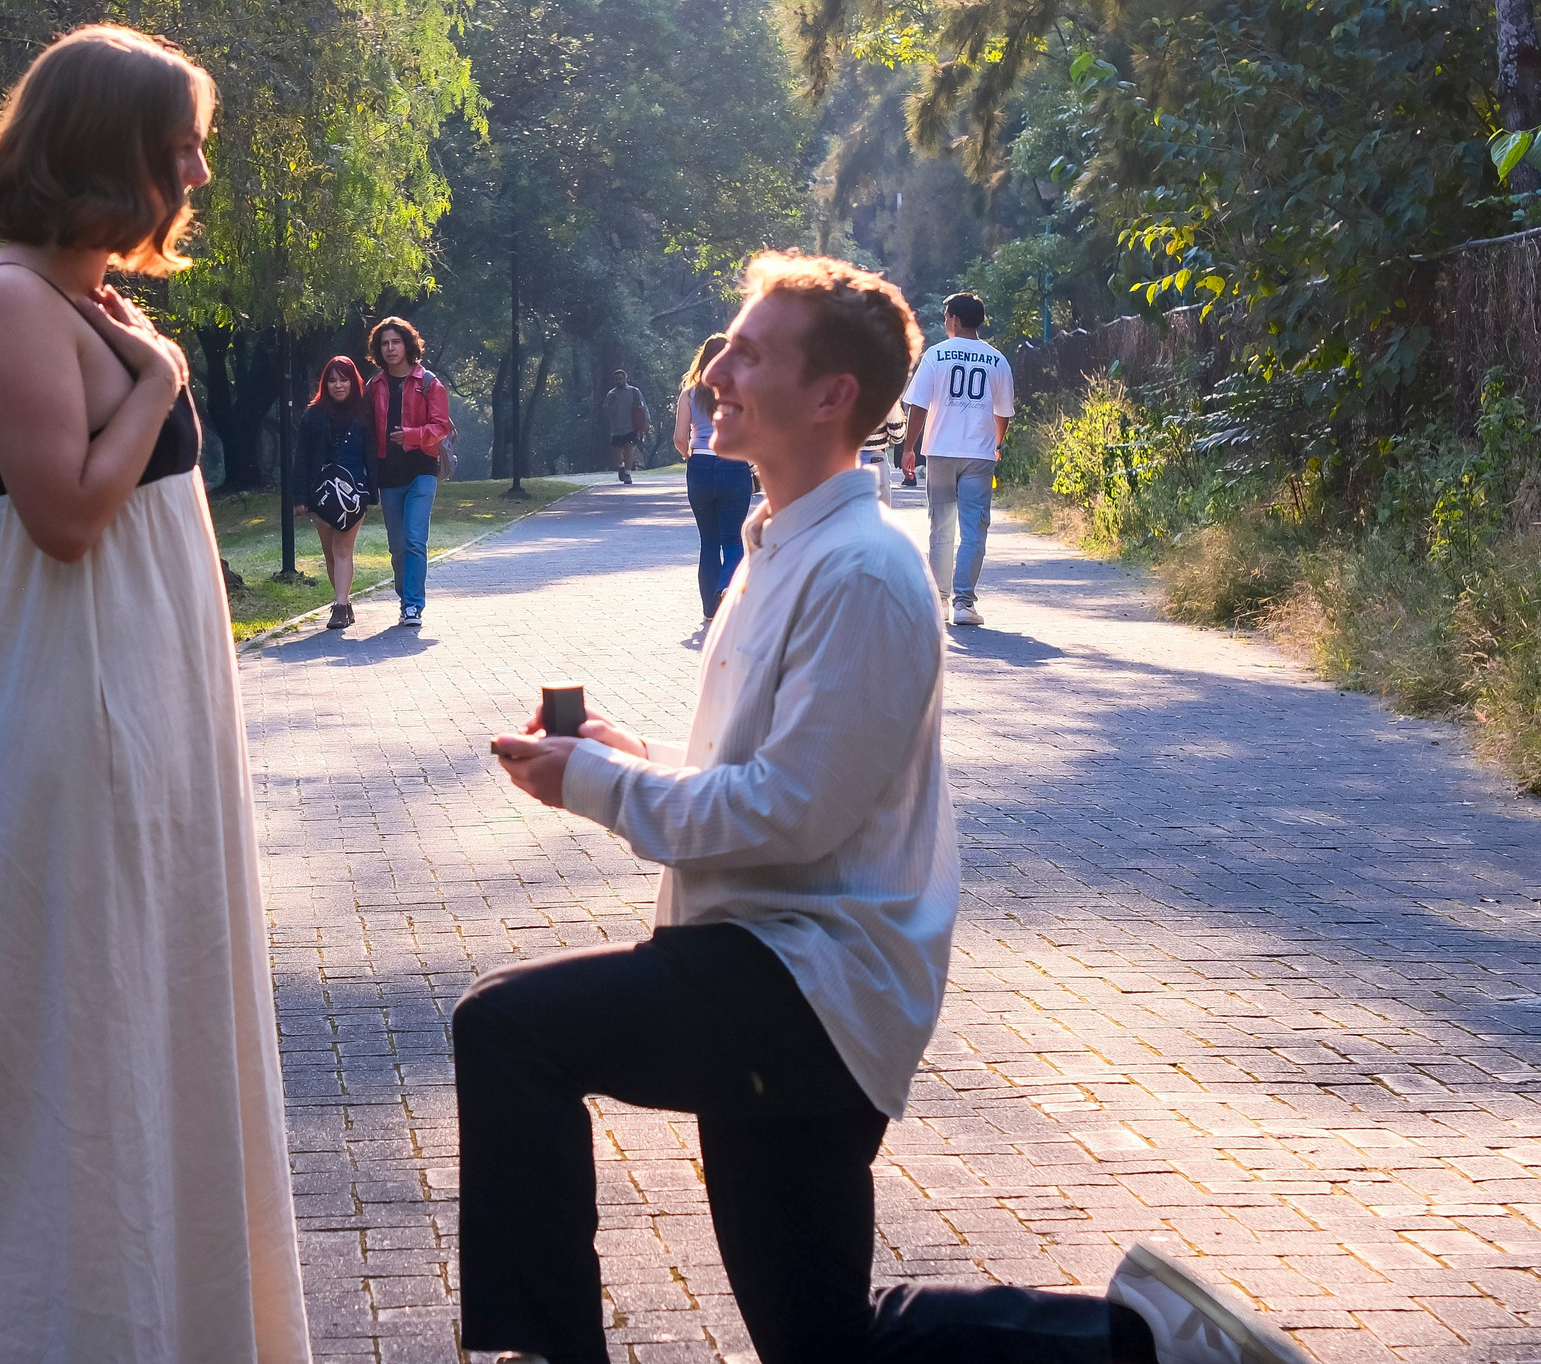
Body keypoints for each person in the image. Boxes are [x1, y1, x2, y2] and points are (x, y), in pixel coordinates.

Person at [466, 250, 1302, 1364]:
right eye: (725, 346)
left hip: (806, 981)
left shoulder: (858, 572)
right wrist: (630, 752)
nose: (717, 371)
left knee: (506, 1029)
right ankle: (1138, 1345)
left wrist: (595, 785)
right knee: (825, 1348)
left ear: (831, 397)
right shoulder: (782, 552)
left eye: (748, 353)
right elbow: (771, 775)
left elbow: (791, 815)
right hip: (769, 965)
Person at [0, 25, 310, 1364]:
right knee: (88, 1007)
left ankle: (171, 1312)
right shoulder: (9, 298)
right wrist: (165, 375)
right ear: (100, 146)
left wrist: (149, 356)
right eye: (175, 143)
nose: (194, 170)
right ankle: (43, 1322)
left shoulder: (89, 298)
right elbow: (63, 513)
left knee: (163, 991)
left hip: (155, 689)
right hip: (91, 694)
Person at [902, 291, 1016, 627]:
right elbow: (1004, 413)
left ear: (953, 319)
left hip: (939, 451)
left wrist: (910, 447)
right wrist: (995, 443)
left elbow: (919, 406)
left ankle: (939, 602)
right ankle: (964, 603)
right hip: (978, 455)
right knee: (974, 529)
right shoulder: (997, 360)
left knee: (941, 526)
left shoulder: (936, 356)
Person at [367, 315, 453, 630]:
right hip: (388, 476)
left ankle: (413, 605)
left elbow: (441, 426)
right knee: (398, 545)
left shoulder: (429, 383)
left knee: (416, 540)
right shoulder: (373, 386)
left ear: (407, 345)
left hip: (422, 471)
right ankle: (406, 597)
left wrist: (412, 436)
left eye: (395, 342)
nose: (390, 348)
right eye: (384, 343)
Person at [671, 333, 753, 624]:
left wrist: (690, 455)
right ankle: (727, 585)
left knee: (708, 540)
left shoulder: (689, 394)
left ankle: (709, 609)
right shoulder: (742, 391)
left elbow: (680, 438)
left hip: (700, 468)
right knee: (733, 539)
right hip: (734, 466)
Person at [292, 354, 373, 629]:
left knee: (342, 548)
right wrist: (300, 497)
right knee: (330, 552)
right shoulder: (312, 415)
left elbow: (372, 454)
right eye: (332, 381)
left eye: (344, 379)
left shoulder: (365, 412)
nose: (338, 385)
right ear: (325, 384)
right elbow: (301, 457)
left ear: (353, 381)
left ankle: (338, 608)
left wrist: (371, 491)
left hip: (354, 492)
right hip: (320, 493)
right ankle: (344, 601)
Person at [602, 366, 649, 483]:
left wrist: (647, 421)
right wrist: (609, 404)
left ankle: (627, 474)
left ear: (625, 379)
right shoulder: (611, 394)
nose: (619, 381)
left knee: (629, 448)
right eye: (617, 379)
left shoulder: (634, 392)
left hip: (631, 426)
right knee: (617, 451)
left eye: (621, 378)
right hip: (616, 428)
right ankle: (621, 467)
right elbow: (605, 411)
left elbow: (643, 408)